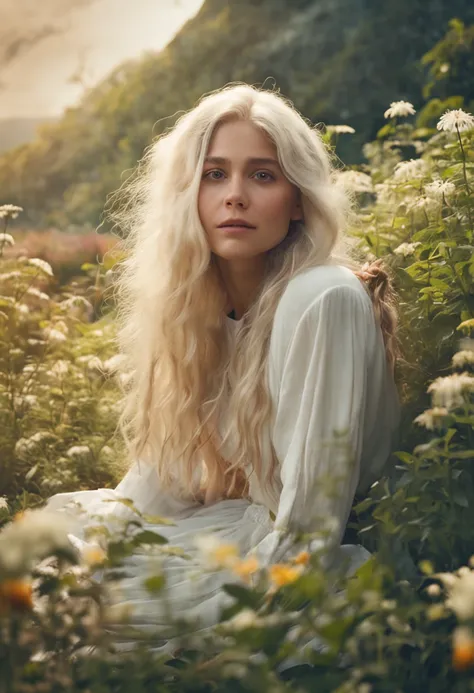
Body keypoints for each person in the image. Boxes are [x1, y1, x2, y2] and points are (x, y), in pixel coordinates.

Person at [44, 83, 401, 654]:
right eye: (215, 174)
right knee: (53, 578)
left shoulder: (323, 297)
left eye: (263, 175)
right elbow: (161, 479)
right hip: (230, 531)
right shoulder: (196, 306)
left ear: (298, 198)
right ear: (188, 193)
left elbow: (310, 527)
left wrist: (222, 629)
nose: (235, 196)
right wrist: (100, 555)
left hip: (298, 550)